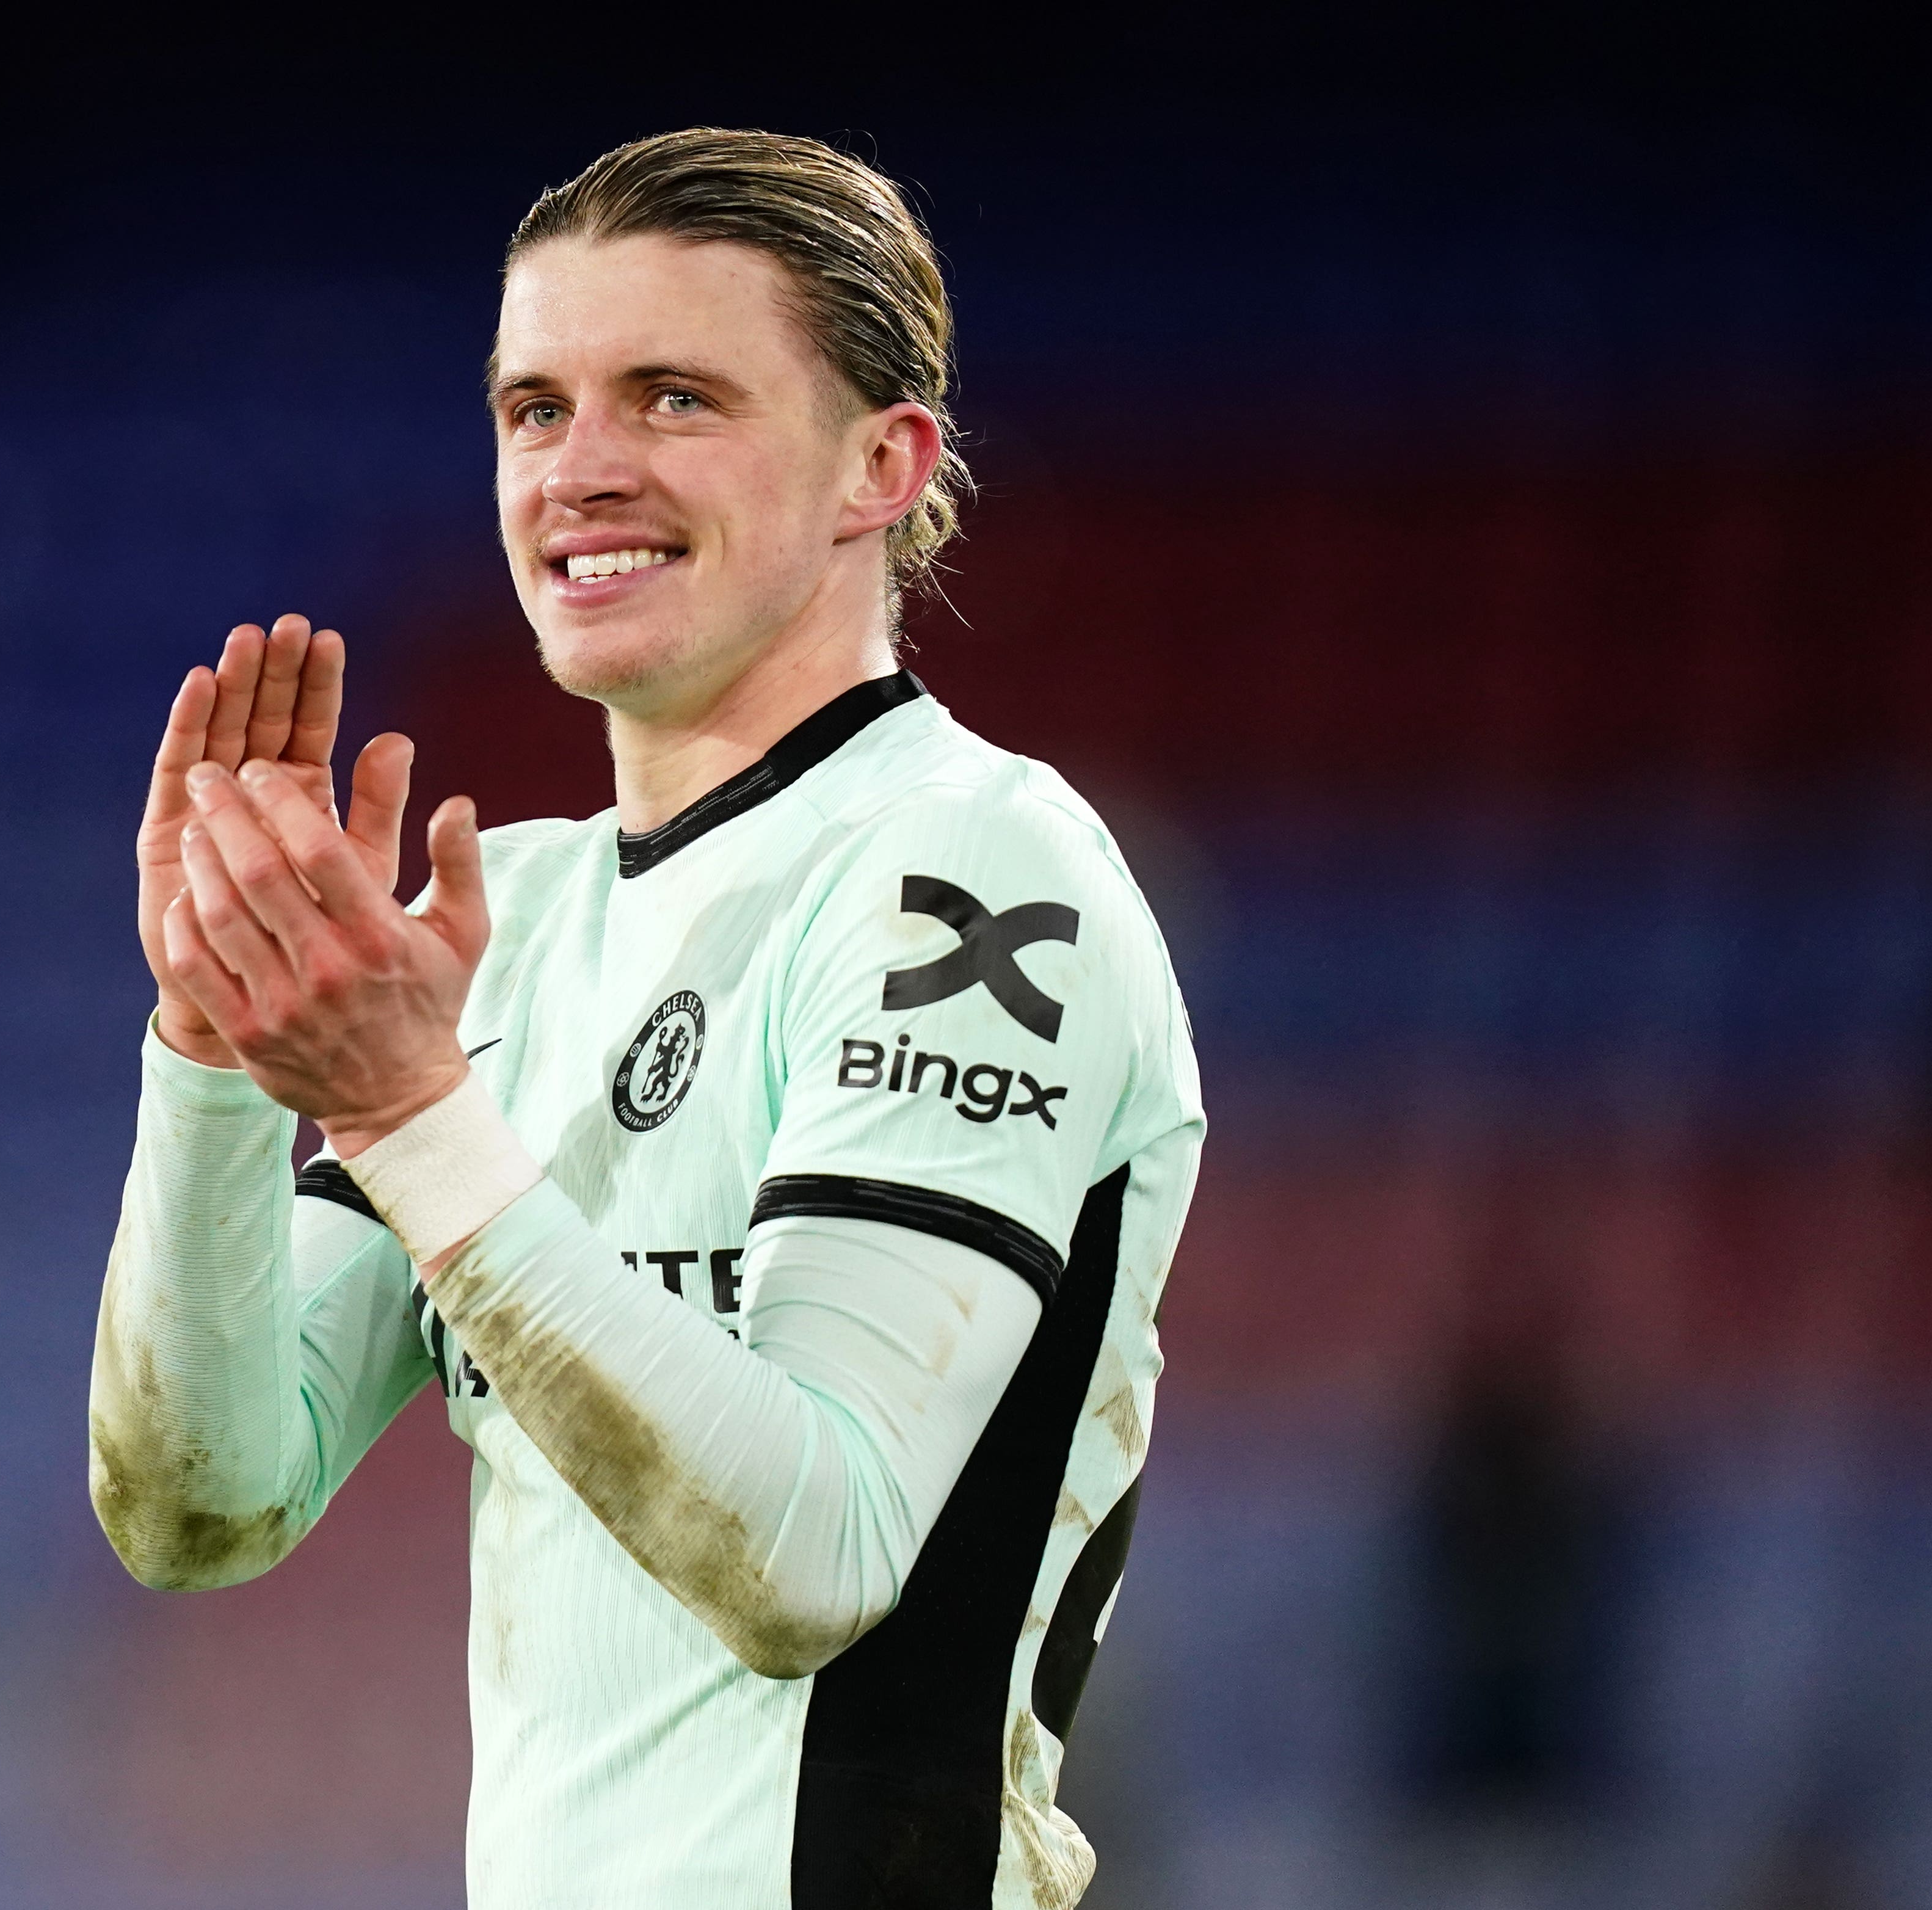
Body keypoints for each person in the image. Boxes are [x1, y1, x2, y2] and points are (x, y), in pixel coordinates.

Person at [89, 127, 1204, 1910]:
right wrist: (218, 1052)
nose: (579, 472)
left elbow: (812, 1559)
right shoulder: (511, 921)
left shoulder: (973, 875)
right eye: (535, 411)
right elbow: (203, 1508)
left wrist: (401, 1113)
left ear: (878, 465)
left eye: (672, 398)